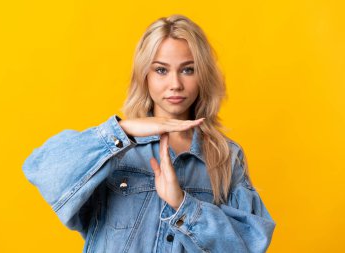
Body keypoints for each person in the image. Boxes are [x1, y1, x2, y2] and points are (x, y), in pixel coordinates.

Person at [22, 14, 275, 253]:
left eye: (188, 69)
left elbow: (250, 243)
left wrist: (183, 204)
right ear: (145, 75)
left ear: (203, 75)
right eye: (161, 70)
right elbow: (43, 170)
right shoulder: (115, 148)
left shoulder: (225, 157)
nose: (175, 84)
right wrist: (123, 130)